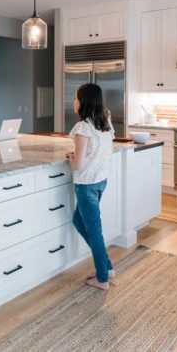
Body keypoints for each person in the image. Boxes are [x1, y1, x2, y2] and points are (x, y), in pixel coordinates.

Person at [66, 83, 115, 291]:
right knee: (78, 220)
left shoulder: (83, 127)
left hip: (86, 184)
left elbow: (78, 164)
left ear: (83, 102)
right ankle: (107, 267)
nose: (73, 102)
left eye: (76, 98)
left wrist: (71, 158)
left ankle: (102, 278)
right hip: (101, 180)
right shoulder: (105, 123)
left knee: (94, 231)